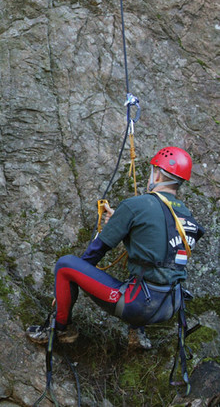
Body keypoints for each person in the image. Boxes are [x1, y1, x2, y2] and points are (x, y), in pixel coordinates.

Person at [26, 147, 205, 349]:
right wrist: (122, 223)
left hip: (138, 304)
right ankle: (137, 334)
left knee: (66, 265)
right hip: (170, 306)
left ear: (157, 174)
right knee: (150, 273)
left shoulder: (137, 205)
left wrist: (66, 288)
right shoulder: (187, 217)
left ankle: (61, 329)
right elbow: (157, 248)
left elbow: (97, 250)